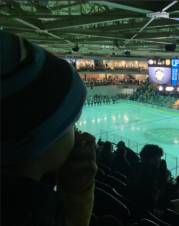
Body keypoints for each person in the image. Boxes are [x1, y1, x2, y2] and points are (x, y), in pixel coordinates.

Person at [1, 30, 122, 226]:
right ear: (39, 140)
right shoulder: (33, 216)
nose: (81, 134)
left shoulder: (20, 204)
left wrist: (74, 191)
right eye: (71, 124)